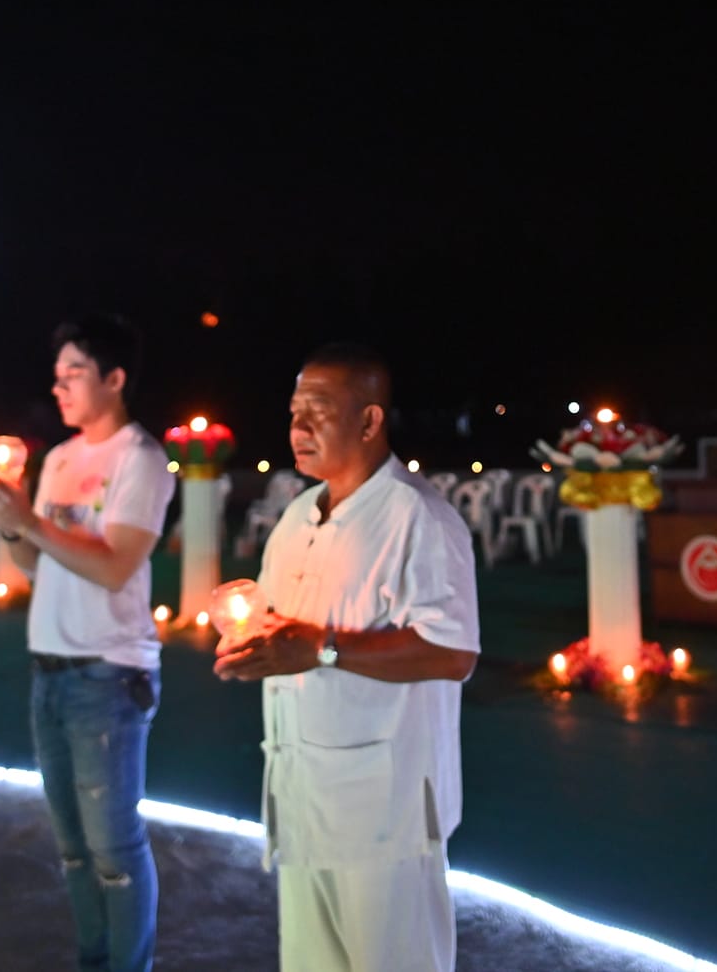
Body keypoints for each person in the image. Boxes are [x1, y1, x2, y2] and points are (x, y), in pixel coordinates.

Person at [214, 342, 480, 972]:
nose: (298, 428)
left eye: (319, 411)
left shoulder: (416, 517)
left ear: (369, 420)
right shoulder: (297, 517)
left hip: (385, 815)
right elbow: (286, 633)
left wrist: (324, 649)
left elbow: (452, 651)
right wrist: (249, 635)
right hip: (302, 799)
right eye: (293, 412)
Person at [0, 314, 173, 972]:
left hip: (107, 673)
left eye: (74, 374)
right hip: (49, 669)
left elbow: (115, 564)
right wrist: (9, 525)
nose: (58, 388)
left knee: (114, 845)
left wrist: (29, 518)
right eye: (56, 376)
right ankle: (93, 957)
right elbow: (38, 564)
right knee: (73, 847)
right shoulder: (57, 457)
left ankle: (129, 963)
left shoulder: (139, 459)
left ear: (115, 378)